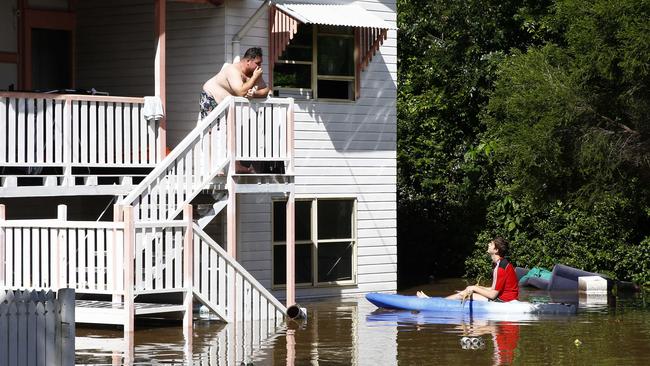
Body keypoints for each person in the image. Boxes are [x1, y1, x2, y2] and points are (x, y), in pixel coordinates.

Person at [199, 47, 271, 173]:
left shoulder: (253, 72)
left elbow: (266, 91)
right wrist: (254, 79)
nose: (260, 67)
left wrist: (254, 94)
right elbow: (241, 92)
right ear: (248, 61)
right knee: (215, 133)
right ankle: (215, 167)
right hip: (211, 96)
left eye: (261, 63)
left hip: (226, 103)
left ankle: (234, 164)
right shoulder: (232, 70)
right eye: (258, 63)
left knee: (231, 131)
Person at [417, 237, 519, 302]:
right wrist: (474, 288)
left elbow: (492, 295)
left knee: (464, 294)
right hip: (508, 298)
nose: (488, 244)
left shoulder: (500, 268)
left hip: (504, 301)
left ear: (496, 250)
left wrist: (474, 288)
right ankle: (435, 300)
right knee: (468, 291)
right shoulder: (500, 264)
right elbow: (493, 288)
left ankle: (432, 302)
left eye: (491, 244)